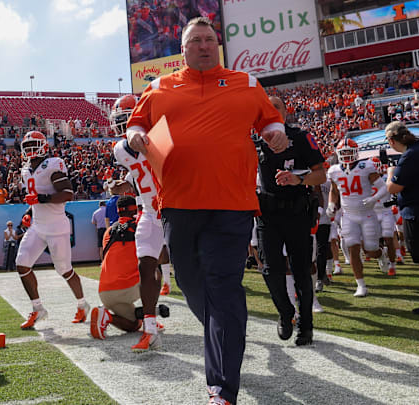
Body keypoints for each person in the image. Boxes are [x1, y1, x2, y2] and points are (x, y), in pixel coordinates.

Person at [126, 17, 288, 405]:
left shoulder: (246, 83)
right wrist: (134, 136)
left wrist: (276, 131)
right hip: (179, 205)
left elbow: (270, 119)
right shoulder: (159, 86)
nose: (203, 45)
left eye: (210, 40)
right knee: (189, 282)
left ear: (218, 46)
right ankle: (223, 332)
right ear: (181, 49)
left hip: (233, 205)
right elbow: (135, 125)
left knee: (224, 287)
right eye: (195, 40)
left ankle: (222, 388)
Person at [255, 96, 326, 346]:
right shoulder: (253, 140)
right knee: (269, 269)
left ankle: (305, 327)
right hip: (267, 215)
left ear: (285, 112)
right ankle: (286, 312)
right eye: (267, 109)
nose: (272, 113)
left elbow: (321, 174)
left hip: (296, 212)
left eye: (277, 108)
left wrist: (299, 180)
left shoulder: (301, 137)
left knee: (302, 272)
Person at [111, 93, 172, 351]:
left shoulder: (163, 134)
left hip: (177, 207)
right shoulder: (120, 149)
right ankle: (149, 328)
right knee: (146, 265)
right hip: (149, 210)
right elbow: (139, 180)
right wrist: (121, 186)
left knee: (197, 269)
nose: (122, 124)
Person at [15, 130, 89, 329]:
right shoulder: (25, 170)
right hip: (37, 226)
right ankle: (37, 308)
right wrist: (29, 211)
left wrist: (41, 199)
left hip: (57, 227)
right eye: (27, 147)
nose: (30, 150)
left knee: (64, 270)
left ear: (44, 147)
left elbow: (67, 193)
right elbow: (34, 198)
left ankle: (82, 305)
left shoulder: (53, 164)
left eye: (33, 146)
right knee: (22, 264)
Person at [327, 139, 386, 297]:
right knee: (353, 247)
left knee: (370, 250)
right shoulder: (334, 170)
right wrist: (331, 204)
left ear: (355, 152)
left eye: (348, 151)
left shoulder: (365, 167)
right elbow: (334, 190)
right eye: (343, 152)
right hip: (348, 215)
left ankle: (381, 254)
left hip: (367, 214)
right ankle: (361, 285)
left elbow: (383, 187)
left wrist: (374, 199)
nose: (346, 155)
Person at [91, 195, 143, 339]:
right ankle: (150, 315)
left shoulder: (108, 232)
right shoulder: (140, 228)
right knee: (155, 272)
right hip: (127, 288)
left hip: (105, 292)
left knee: (134, 325)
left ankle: (107, 317)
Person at [384, 121, 419, 314]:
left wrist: (390, 173)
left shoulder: (409, 156)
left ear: (391, 140)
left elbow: (393, 187)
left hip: (416, 212)